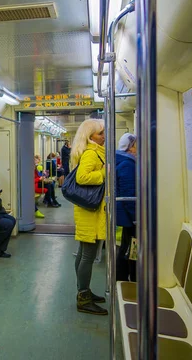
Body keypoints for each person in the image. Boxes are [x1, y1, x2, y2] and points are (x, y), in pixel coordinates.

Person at [71, 118, 107, 315]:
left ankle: (83, 291)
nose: (103, 136)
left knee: (83, 252)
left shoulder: (91, 152)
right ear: (90, 136)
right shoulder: (91, 154)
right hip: (90, 211)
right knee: (88, 255)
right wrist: (104, 173)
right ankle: (83, 298)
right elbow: (82, 178)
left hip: (87, 209)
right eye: (101, 133)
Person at [115, 133, 137, 282]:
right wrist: (136, 217)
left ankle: (123, 277)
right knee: (131, 248)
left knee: (127, 246)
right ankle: (128, 278)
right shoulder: (128, 164)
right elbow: (129, 194)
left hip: (128, 215)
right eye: (136, 145)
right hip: (130, 216)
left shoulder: (125, 161)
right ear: (130, 148)